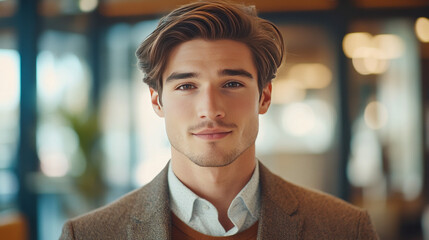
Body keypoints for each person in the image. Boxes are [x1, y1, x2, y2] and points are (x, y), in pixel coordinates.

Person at [60, 1, 379, 239]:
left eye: (232, 84)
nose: (210, 109)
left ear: (264, 97)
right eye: (186, 86)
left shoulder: (344, 228)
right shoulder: (89, 235)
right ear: (157, 100)